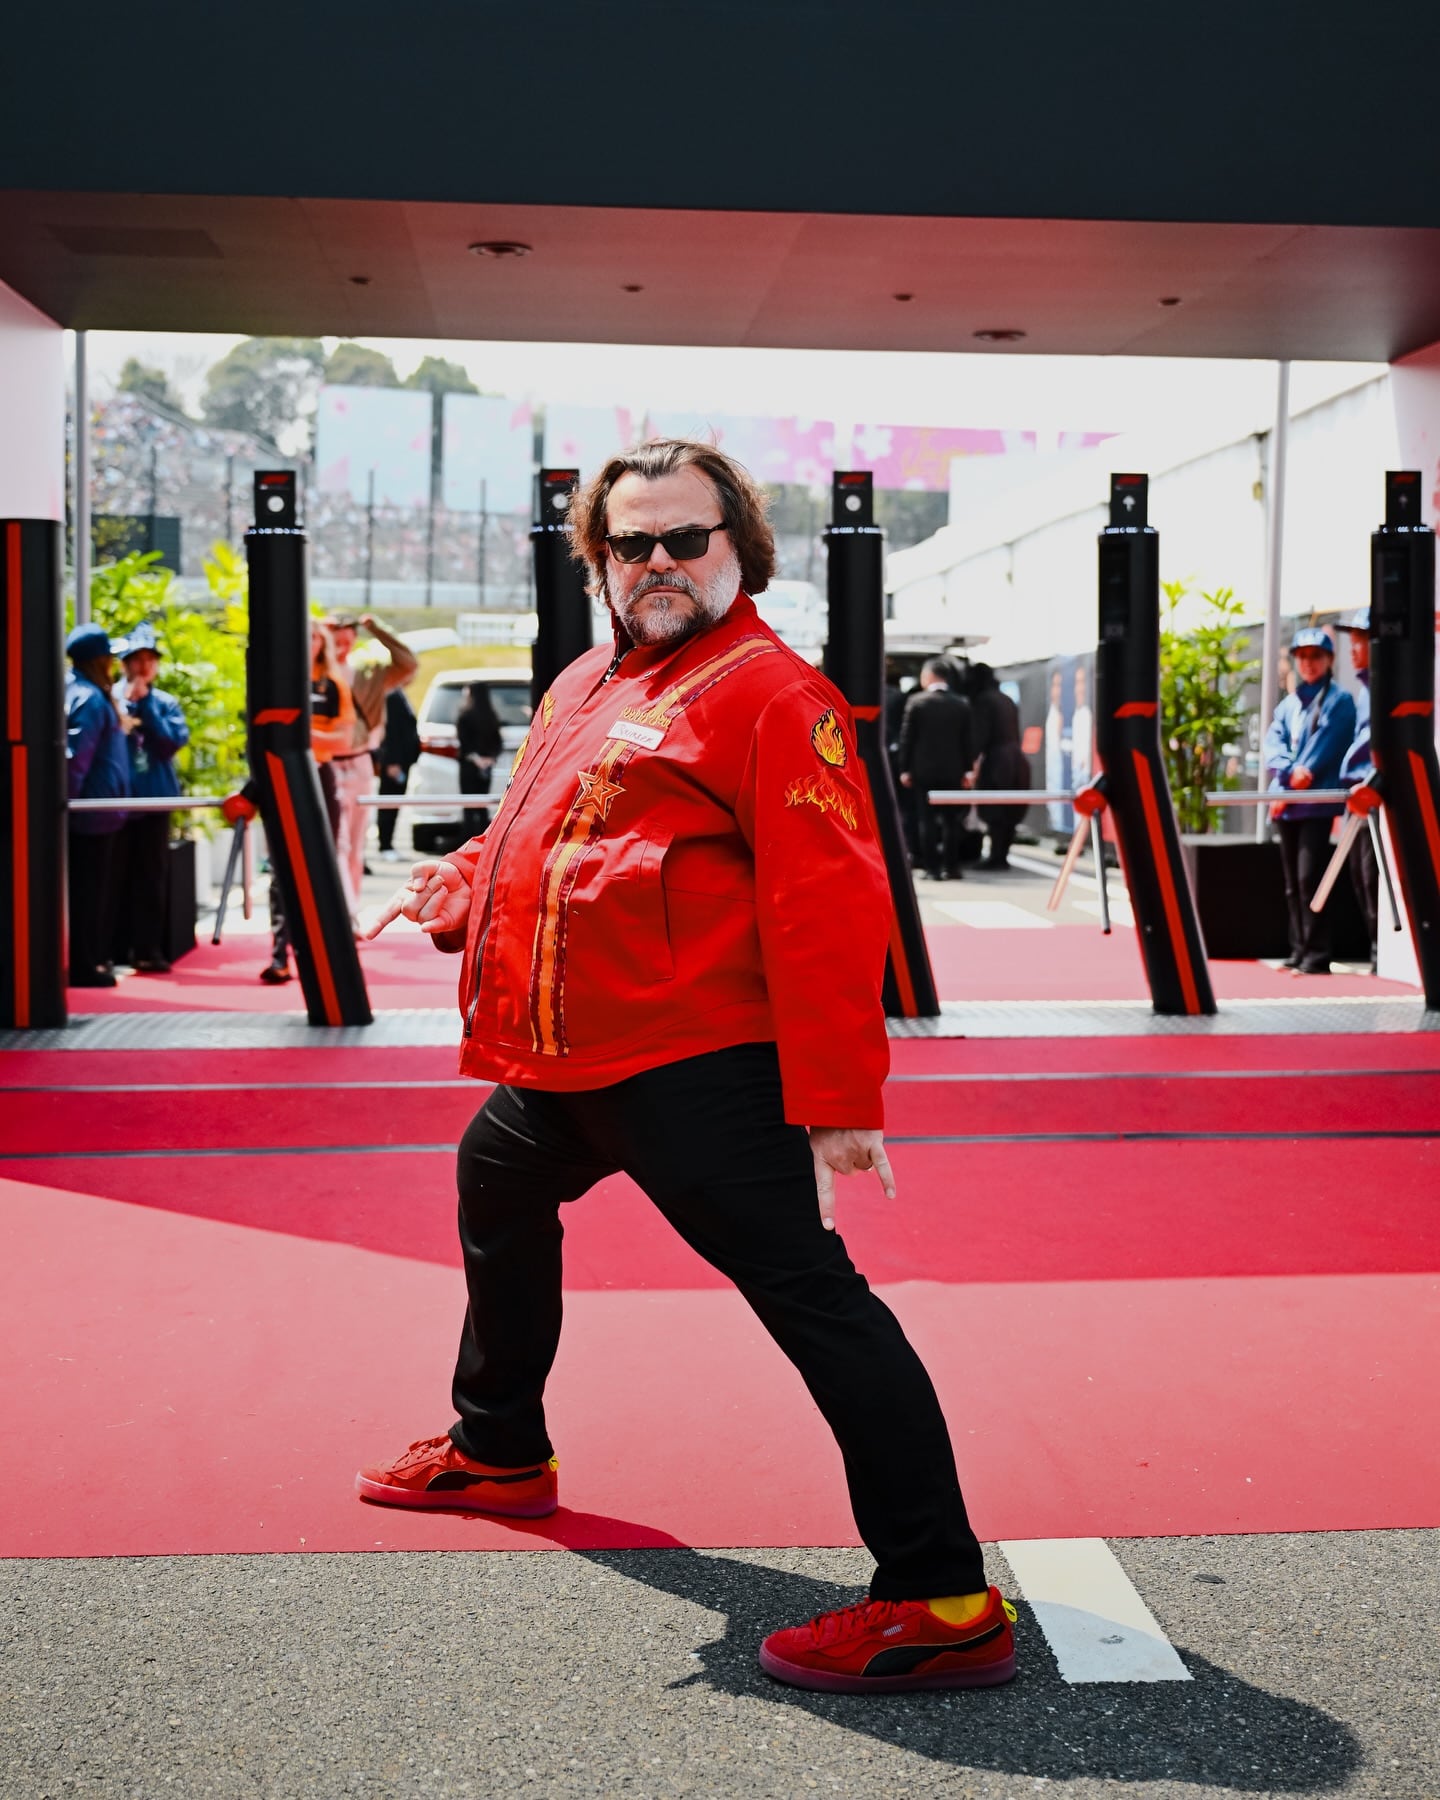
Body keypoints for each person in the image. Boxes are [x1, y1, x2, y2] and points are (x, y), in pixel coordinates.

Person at [358, 438, 1015, 1695]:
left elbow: (829, 910)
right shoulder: (584, 679)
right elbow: (530, 829)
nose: (656, 563)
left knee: (815, 1302)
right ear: (598, 558)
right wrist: (456, 885)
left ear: (738, 550)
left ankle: (940, 1595)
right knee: (493, 1178)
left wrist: (836, 1105)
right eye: (630, 543)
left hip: (697, 1070)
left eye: (684, 539)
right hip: (569, 1062)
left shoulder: (774, 694)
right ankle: (500, 1445)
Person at [254, 620, 356, 983]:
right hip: (281, 777)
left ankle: (326, 956)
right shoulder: (278, 685)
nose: (308, 642)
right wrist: (309, 737)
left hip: (320, 777)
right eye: (303, 635)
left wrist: (298, 734)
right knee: (280, 870)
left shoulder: (333, 686)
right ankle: (279, 954)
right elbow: (265, 732)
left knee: (322, 863)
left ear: (322, 642)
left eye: (314, 636)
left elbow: (344, 742)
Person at [1264, 626, 1357, 976]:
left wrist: (1294, 777)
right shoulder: (1289, 704)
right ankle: (1299, 948)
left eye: (1316, 656)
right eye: (1302, 656)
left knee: (1309, 877)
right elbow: (1274, 747)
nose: (1309, 663)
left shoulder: (1340, 701)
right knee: (1292, 882)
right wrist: (1288, 779)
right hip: (1286, 804)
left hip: (1315, 803)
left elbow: (1323, 751)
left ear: (1329, 660)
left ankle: (1317, 954)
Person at [324, 613, 419, 909]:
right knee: (335, 841)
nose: (341, 643)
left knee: (354, 843)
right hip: (324, 762)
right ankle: (341, 912)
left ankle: (348, 912)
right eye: (333, 636)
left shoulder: (368, 674)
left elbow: (408, 664)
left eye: (346, 636)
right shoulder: (313, 673)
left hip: (359, 762)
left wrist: (376, 629)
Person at [111, 625, 190, 973]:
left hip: (156, 800)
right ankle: (113, 948)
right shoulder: (110, 699)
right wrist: (126, 706)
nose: (143, 667)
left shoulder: (165, 703)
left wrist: (147, 708)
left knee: (152, 876)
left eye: (149, 660)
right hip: (117, 803)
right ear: (124, 663)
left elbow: (170, 743)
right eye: (136, 660)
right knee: (115, 876)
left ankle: (149, 949)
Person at [64, 624, 131, 988]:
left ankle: (92, 959)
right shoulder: (89, 698)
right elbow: (76, 759)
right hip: (91, 816)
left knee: (94, 891)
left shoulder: (87, 692)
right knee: (88, 894)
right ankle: (84, 964)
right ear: (98, 660)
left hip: (98, 814)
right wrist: (68, 806)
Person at [897, 658, 975, 880]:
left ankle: (931, 869)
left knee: (926, 820)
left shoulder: (916, 702)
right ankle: (951, 867)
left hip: (924, 772)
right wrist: (968, 771)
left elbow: (906, 739)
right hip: (954, 772)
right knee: (951, 821)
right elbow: (968, 741)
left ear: (928, 677)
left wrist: (904, 769)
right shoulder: (961, 703)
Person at [1338, 608, 1378, 970]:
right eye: (1351, 641)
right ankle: (1376, 951)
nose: (1353, 648)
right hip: (1356, 797)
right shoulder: (1364, 688)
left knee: (1371, 876)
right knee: (1358, 875)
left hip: (1374, 797)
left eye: (1360, 640)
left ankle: (1382, 953)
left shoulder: (1384, 686)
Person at [968, 663, 1030, 869]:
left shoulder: (984, 700)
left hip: (997, 760)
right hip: (1016, 758)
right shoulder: (1006, 699)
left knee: (995, 809)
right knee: (1010, 809)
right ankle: (1002, 855)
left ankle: (996, 856)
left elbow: (980, 736)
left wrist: (970, 761)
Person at [375, 687, 420, 862]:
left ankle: (388, 843)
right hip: (395, 762)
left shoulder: (399, 694)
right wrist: (391, 761)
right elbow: (391, 731)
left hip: (404, 760)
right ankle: (384, 844)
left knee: (395, 803)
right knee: (388, 803)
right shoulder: (391, 696)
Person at [454, 682, 504, 837]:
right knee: (483, 806)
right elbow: (498, 742)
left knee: (469, 806)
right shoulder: (492, 716)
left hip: (469, 766)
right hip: (486, 767)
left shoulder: (465, 716)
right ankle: (484, 841)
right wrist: (490, 759)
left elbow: (464, 743)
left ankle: (467, 840)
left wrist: (476, 759)